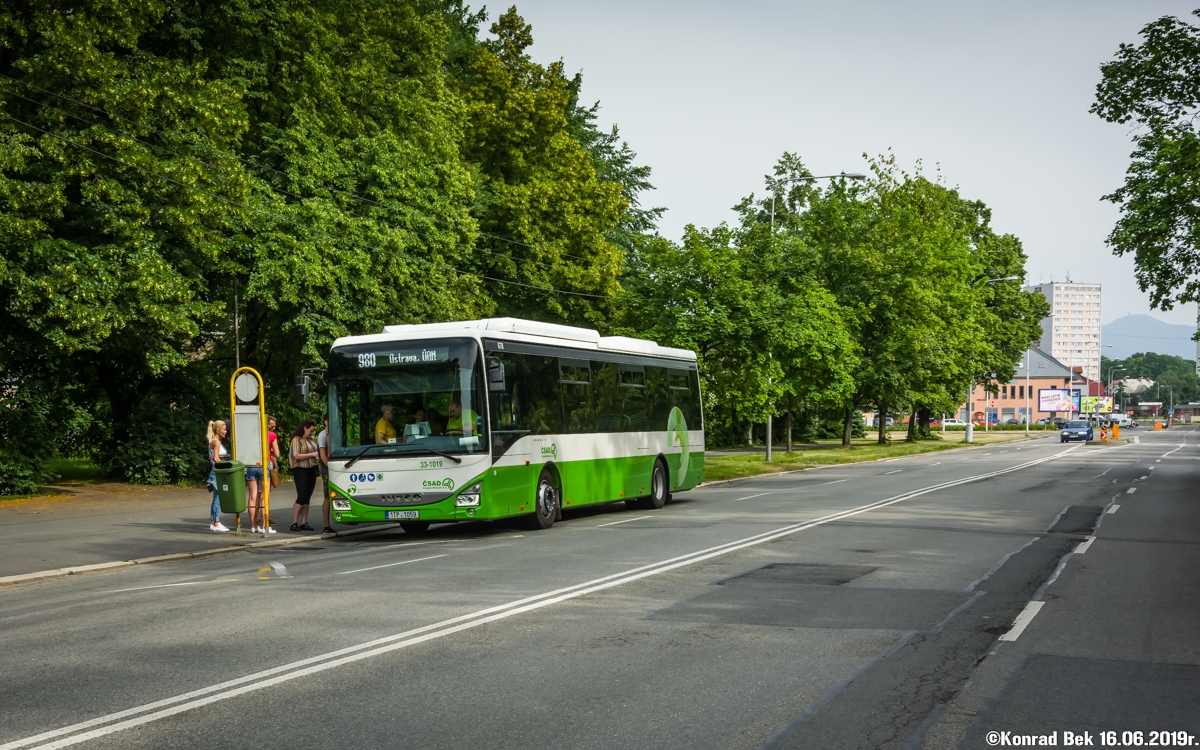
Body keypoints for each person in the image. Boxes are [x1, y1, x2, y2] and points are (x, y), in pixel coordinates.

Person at [290, 419, 320, 532]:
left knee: (308, 496)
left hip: (311, 468)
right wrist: (312, 454)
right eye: (310, 431)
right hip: (300, 469)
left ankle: (303, 522)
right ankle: (294, 522)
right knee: (302, 495)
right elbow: (296, 456)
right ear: (305, 428)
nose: (311, 433)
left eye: (313, 431)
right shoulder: (297, 440)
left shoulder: (313, 440)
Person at [205, 420, 230, 533]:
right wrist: (227, 466)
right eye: (224, 429)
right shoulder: (216, 442)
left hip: (214, 472)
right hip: (217, 472)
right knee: (218, 498)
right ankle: (216, 523)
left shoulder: (213, 441)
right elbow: (216, 458)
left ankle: (213, 522)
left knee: (217, 498)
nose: (226, 431)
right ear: (218, 430)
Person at [317, 417, 335, 534]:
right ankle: (326, 525)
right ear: (325, 421)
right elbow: (323, 456)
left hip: (333, 468)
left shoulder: (333, 434)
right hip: (327, 470)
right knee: (327, 497)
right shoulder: (323, 435)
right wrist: (331, 467)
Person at [267, 415, 281, 490]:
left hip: (253, 465)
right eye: (272, 426)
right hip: (266, 462)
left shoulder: (255, 433)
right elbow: (276, 454)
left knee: (253, 495)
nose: (274, 428)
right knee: (265, 492)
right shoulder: (272, 435)